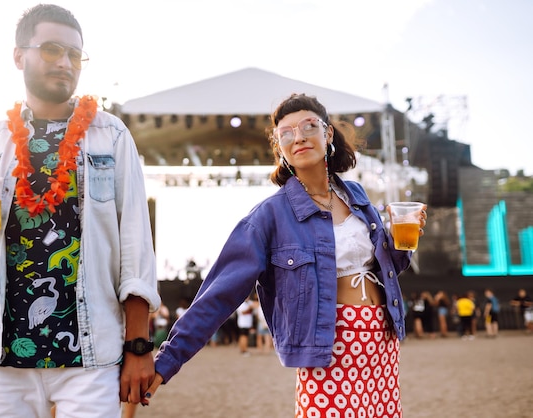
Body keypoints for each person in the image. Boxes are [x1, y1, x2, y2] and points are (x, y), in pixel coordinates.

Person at [146, 93, 428, 416]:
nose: (299, 137)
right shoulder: (270, 215)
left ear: (328, 134)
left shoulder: (358, 196)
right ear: (279, 146)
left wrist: (401, 239)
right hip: (327, 352)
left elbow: (388, 267)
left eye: (309, 126)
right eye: (286, 133)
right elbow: (219, 293)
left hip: (382, 343)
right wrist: (167, 360)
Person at [0, 4, 160, 417]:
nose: (65, 62)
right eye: (52, 49)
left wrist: (138, 346)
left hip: (90, 354)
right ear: (19, 55)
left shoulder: (109, 136)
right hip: (1, 356)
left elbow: (135, 245)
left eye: (75, 55)